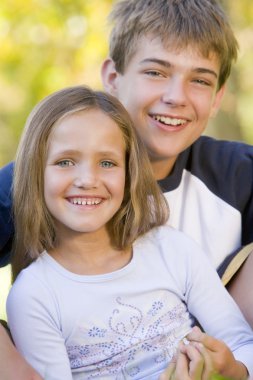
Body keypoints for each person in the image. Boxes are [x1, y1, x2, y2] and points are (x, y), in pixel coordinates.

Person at [6, 85, 253, 380]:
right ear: (35, 173)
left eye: (107, 163)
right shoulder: (34, 295)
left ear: (129, 172)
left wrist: (235, 370)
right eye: (65, 162)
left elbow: (242, 343)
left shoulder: (170, 248)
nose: (87, 180)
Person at [100, 0, 253, 328]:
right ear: (113, 78)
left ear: (217, 98)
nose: (176, 96)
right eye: (156, 72)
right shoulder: (53, 175)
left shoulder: (239, 174)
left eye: (199, 80)